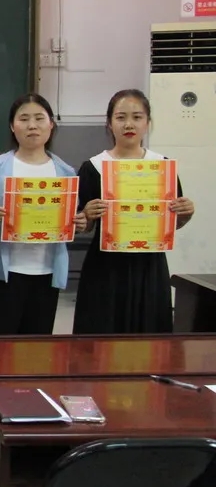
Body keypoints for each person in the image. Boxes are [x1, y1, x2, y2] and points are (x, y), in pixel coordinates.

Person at [75, 89, 194, 333]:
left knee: (149, 338)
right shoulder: (93, 168)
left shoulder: (163, 167)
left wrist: (185, 214)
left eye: (137, 117)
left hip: (149, 266)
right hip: (105, 267)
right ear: (109, 123)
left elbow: (173, 222)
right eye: (121, 117)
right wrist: (86, 215)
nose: (129, 124)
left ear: (147, 123)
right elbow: (82, 225)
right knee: (102, 337)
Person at [0, 94, 87, 335]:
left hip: (47, 272)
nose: (32, 125)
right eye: (24, 119)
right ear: (12, 126)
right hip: (3, 273)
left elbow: (72, 217)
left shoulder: (66, 172)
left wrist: (78, 222)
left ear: (51, 124)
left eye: (39, 118)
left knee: (37, 346)